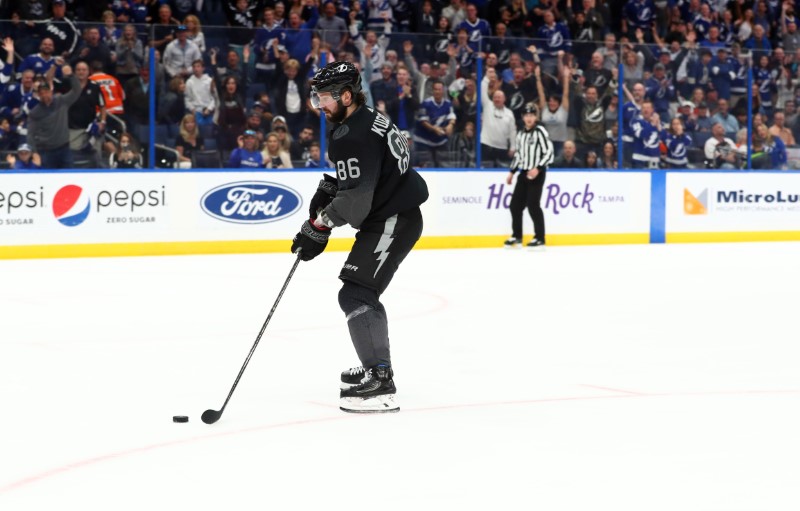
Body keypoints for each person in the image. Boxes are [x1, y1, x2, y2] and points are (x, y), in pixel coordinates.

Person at [290, 61, 428, 413]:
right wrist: (335, 186)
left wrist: (318, 225)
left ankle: (380, 380)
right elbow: (365, 176)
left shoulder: (350, 135)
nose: (320, 106)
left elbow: (355, 202)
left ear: (346, 96)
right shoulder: (367, 117)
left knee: (357, 292)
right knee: (358, 291)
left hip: (393, 219)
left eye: (324, 98)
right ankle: (374, 365)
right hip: (391, 214)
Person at [504, 104, 554, 249]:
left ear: (536, 117)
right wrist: (512, 172)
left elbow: (549, 153)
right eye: (526, 116)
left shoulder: (540, 132)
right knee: (515, 206)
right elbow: (519, 155)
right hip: (523, 173)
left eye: (532, 115)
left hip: (537, 174)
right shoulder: (520, 135)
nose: (529, 118)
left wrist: (538, 168)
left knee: (533, 205)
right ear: (523, 118)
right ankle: (517, 236)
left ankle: (540, 238)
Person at [27, 64, 81, 169]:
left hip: (64, 148)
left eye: (46, 92)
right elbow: (30, 134)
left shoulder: (62, 100)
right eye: (41, 93)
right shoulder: (35, 112)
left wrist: (71, 76)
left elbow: (76, 90)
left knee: (68, 177)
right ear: (38, 95)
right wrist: (34, 152)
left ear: (51, 92)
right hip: (45, 151)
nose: (44, 95)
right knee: (48, 180)